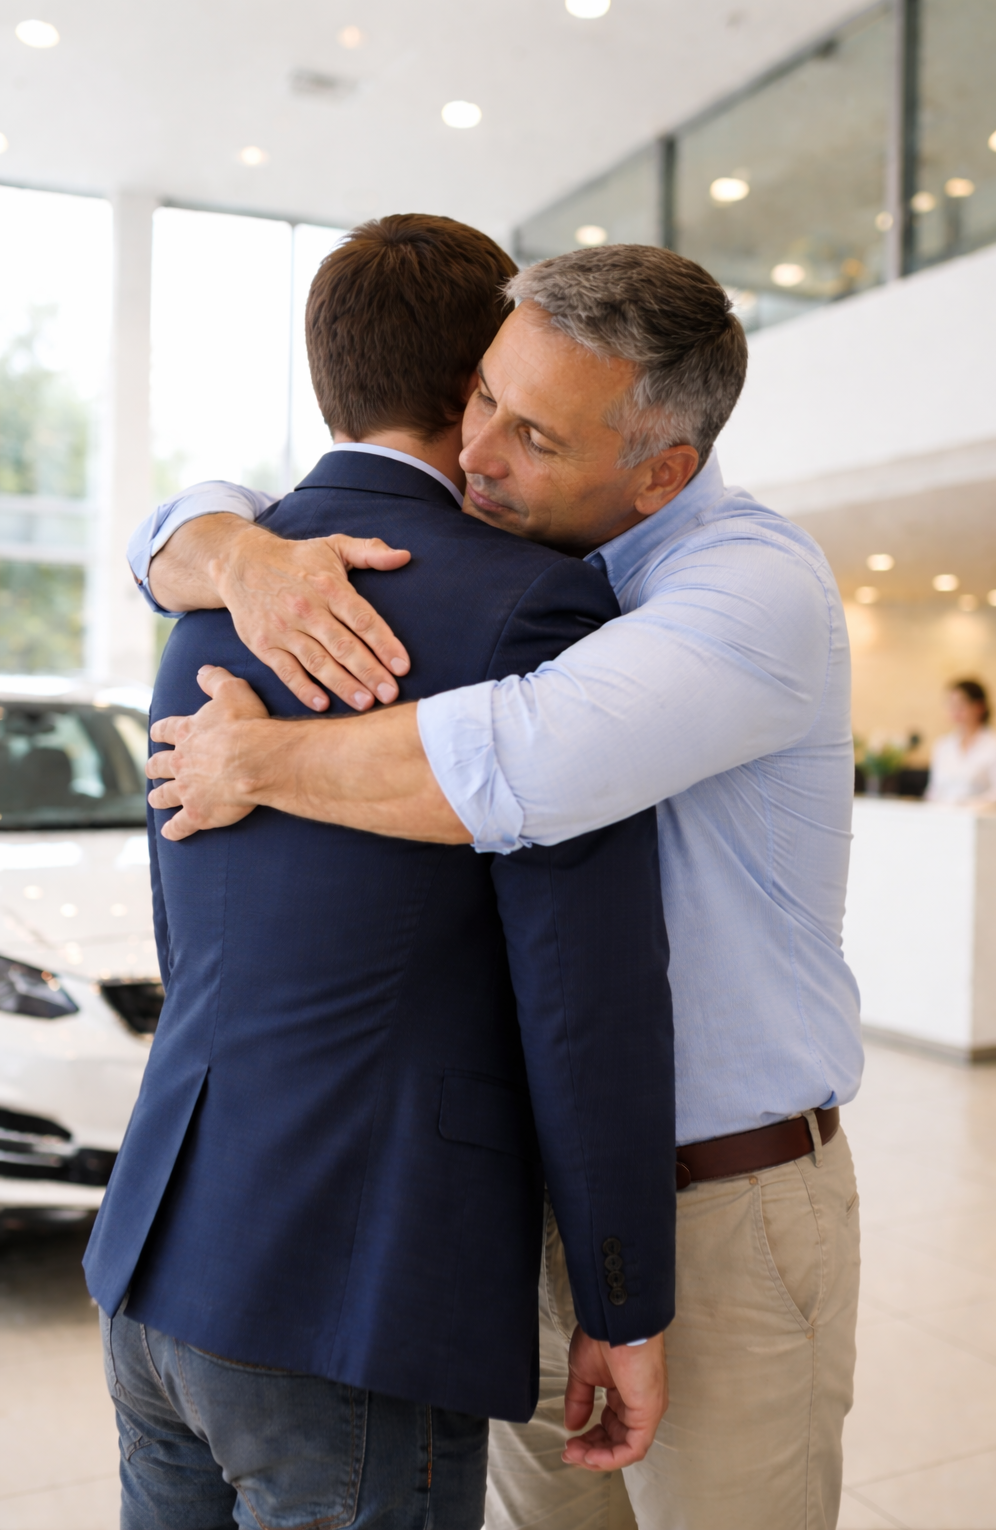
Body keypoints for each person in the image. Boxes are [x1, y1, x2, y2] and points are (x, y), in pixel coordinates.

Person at [137, 244, 864, 1530]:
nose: (475, 454)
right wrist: (224, 550)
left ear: (662, 471)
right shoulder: (513, 545)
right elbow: (191, 517)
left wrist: (254, 756)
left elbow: (520, 759)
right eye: (479, 396)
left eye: (530, 432)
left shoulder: (749, 590)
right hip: (526, 1201)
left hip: (723, 1205)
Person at [84, 217, 679, 1530]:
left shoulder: (215, 591)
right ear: (487, 374)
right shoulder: (534, 605)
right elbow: (586, 996)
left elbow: (197, 931)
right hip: (352, 1284)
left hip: (162, 1250)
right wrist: (621, 1300)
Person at [924, 678, 996, 806]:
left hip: (980, 818)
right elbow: (934, 791)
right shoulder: (942, 745)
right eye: (951, 704)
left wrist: (969, 804)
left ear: (979, 707)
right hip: (943, 817)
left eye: (961, 704)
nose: (955, 710)